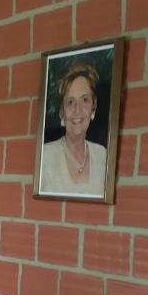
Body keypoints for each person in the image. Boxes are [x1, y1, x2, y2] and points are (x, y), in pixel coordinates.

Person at [39, 61, 107, 196]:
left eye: (85, 100)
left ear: (94, 107)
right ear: (61, 112)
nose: (77, 110)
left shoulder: (102, 155)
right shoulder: (45, 157)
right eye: (70, 102)